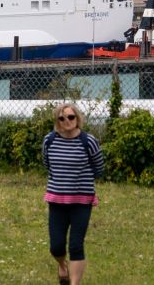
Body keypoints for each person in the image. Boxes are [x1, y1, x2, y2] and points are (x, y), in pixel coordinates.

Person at [42, 103, 106, 285]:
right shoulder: (49, 140)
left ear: (77, 119)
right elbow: (47, 164)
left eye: (71, 117)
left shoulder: (89, 141)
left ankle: (74, 282)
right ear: (57, 121)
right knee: (56, 246)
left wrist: (82, 182)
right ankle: (62, 265)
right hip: (57, 200)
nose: (67, 121)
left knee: (76, 245)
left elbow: (99, 167)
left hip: (81, 201)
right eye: (62, 118)